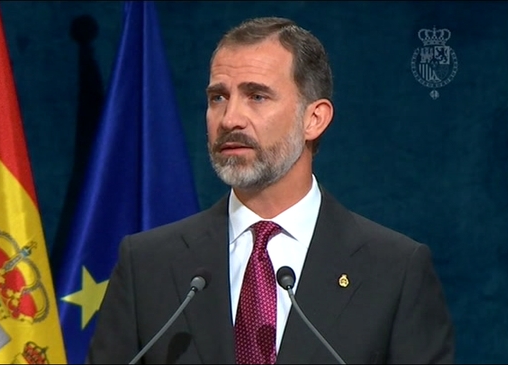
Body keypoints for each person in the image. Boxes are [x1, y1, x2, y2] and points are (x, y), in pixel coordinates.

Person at [86, 17, 455, 364]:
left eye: (257, 96)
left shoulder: (395, 270)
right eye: (218, 97)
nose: (230, 118)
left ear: (314, 119)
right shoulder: (146, 264)